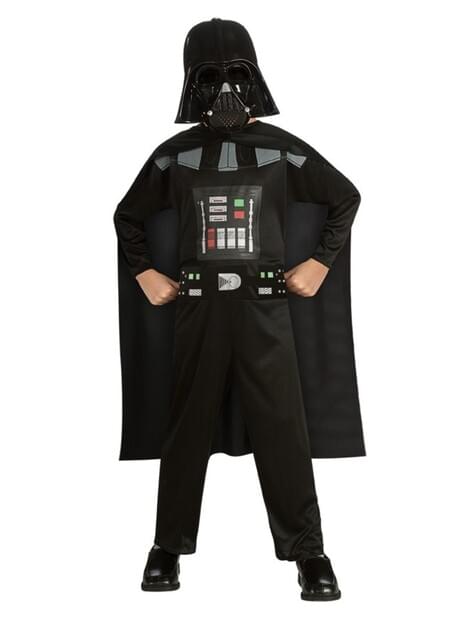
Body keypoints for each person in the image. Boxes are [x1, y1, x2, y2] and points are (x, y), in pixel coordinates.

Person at [113, 18, 364, 601]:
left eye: (235, 76)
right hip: (198, 309)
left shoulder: (283, 151)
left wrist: (320, 262)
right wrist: (145, 271)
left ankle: (309, 552)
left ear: (254, 80)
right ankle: (167, 546)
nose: (224, 90)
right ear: (190, 85)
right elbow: (128, 216)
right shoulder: (173, 158)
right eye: (210, 78)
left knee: (283, 428)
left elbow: (344, 197)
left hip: (264, 309)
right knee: (186, 426)